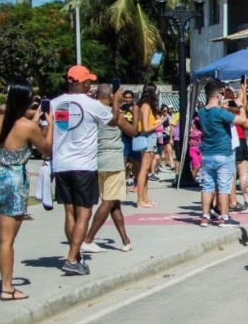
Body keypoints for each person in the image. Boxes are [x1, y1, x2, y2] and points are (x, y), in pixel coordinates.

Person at [51, 66, 116, 275]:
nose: (90, 84)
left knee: (69, 213)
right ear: (83, 82)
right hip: (83, 166)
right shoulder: (92, 105)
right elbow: (113, 120)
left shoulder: (55, 103)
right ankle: (71, 258)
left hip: (61, 165)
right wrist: (116, 103)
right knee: (84, 213)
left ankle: (75, 255)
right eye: (88, 81)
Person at [0, 80, 52, 300]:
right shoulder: (28, 127)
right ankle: (7, 287)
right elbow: (47, 151)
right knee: (6, 240)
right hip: (13, 182)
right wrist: (50, 127)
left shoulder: (0, 120)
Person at [83, 84, 135, 253]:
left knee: (114, 202)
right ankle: (88, 239)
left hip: (97, 159)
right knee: (109, 201)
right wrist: (135, 114)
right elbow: (133, 131)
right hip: (113, 160)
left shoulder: (92, 111)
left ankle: (125, 239)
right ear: (110, 97)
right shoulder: (112, 114)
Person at [197, 79, 248, 227]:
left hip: (207, 153)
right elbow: (243, 119)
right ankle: (224, 217)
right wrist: (240, 105)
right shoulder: (220, 113)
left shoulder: (201, 112)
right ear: (219, 93)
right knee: (224, 187)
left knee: (207, 186)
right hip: (224, 152)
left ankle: (205, 216)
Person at [135, 84, 164, 208]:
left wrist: (158, 120)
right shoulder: (146, 106)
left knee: (145, 170)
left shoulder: (146, 106)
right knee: (144, 170)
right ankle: (140, 199)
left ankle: (145, 198)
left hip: (149, 138)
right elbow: (146, 128)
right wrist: (159, 124)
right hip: (148, 137)